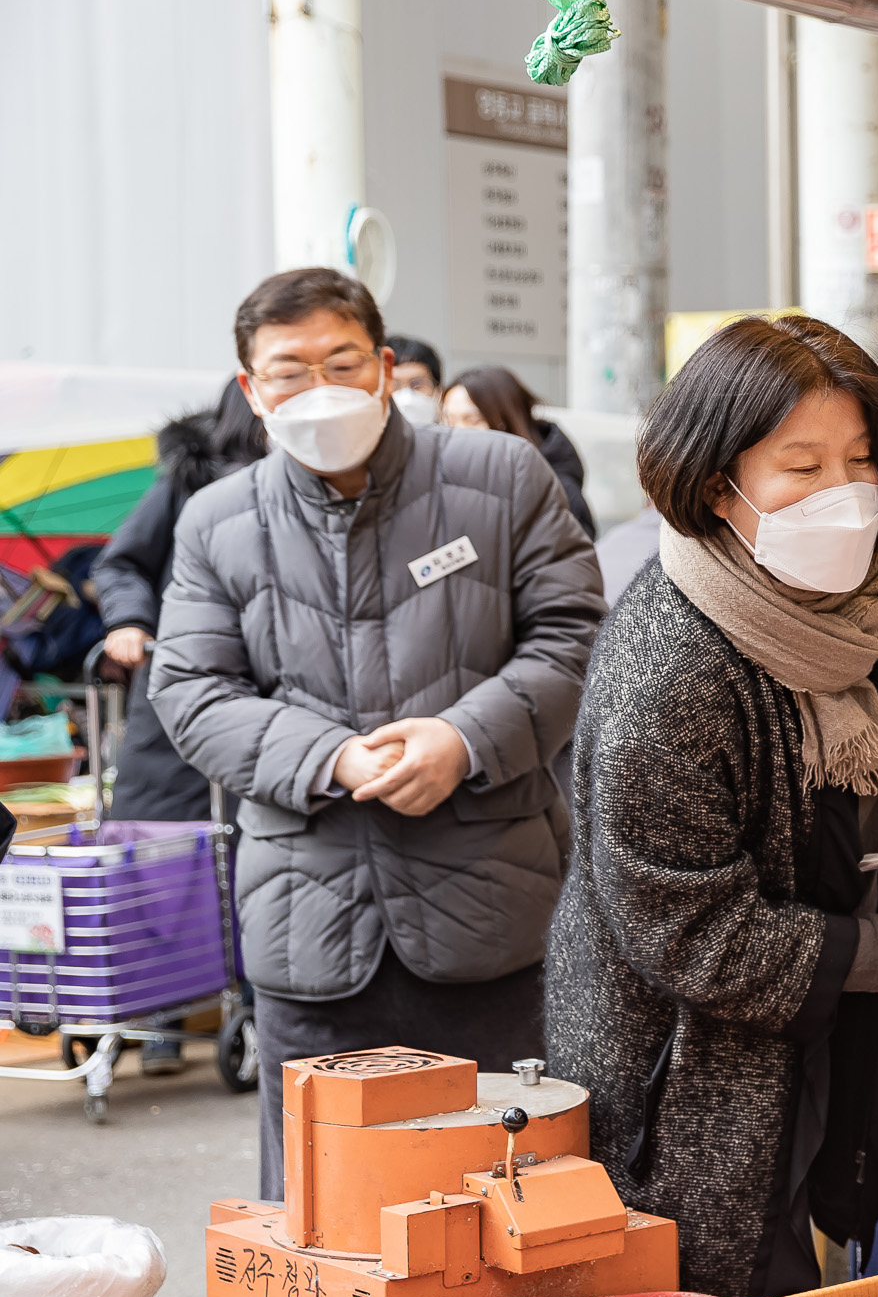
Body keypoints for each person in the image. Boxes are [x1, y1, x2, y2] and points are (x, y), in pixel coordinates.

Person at [546, 315, 878, 1297]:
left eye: (862, 460)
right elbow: (689, 930)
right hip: (694, 1081)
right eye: (802, 466)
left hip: (831, 1038)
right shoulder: (668, 670)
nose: (844, 494)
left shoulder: (868, 600)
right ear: (719, 483)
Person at [152, 267, 604, 1193]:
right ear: (250, 389)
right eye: (287, 369)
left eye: (341, 359)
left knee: (510, 1194)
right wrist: (327, 757)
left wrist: (464, 739)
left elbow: (579, 636)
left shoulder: (501, 476)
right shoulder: (216, 520)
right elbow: (191, 687)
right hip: (306, 924)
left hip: (493, 916)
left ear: (386, 367)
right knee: (326, 1210)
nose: (317, 386)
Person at [89, 379, 269, 1075]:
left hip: (267, 705)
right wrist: (128, 622)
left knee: (259, 857)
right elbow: (122, 561)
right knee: (160, 857)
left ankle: (257, 1011)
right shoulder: (187, 477)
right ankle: (159, 1015)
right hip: (173, 699)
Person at [442, 365, 598, 537]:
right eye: (449, 421)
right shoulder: (447, 478)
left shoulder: (557, 489)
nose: (457, 431)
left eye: (472, 420)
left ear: (507, 420)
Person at [383, 333, 444, 423]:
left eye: (417, 385)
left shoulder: (457, 435)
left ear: (439, 394)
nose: (407, 399)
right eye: (393, 385)